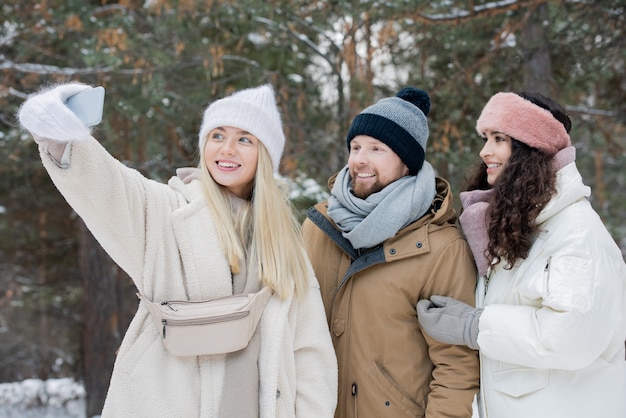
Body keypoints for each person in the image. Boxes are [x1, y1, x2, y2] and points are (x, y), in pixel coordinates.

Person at [17, 82, 338, 417]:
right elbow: (111, 188)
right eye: (218, 135)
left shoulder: (284, 242)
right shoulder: (168, 212)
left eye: (244, 139)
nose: (227, 148)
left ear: (266, 154)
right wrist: (60, 137)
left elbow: (309, 350)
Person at [417, 91, 626, 418]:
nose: (485, 151)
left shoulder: (575, 232)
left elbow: (571, 338)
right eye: (485, 138)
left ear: (532, 149)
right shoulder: (520, 228)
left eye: (499, 139)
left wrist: (477, 326)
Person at [302, 87, 480, 417]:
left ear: (407, 163)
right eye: (355, 147)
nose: (360, 159)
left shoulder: (441, 248)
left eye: (376, 149)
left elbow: (457, 367)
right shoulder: (318, 226)